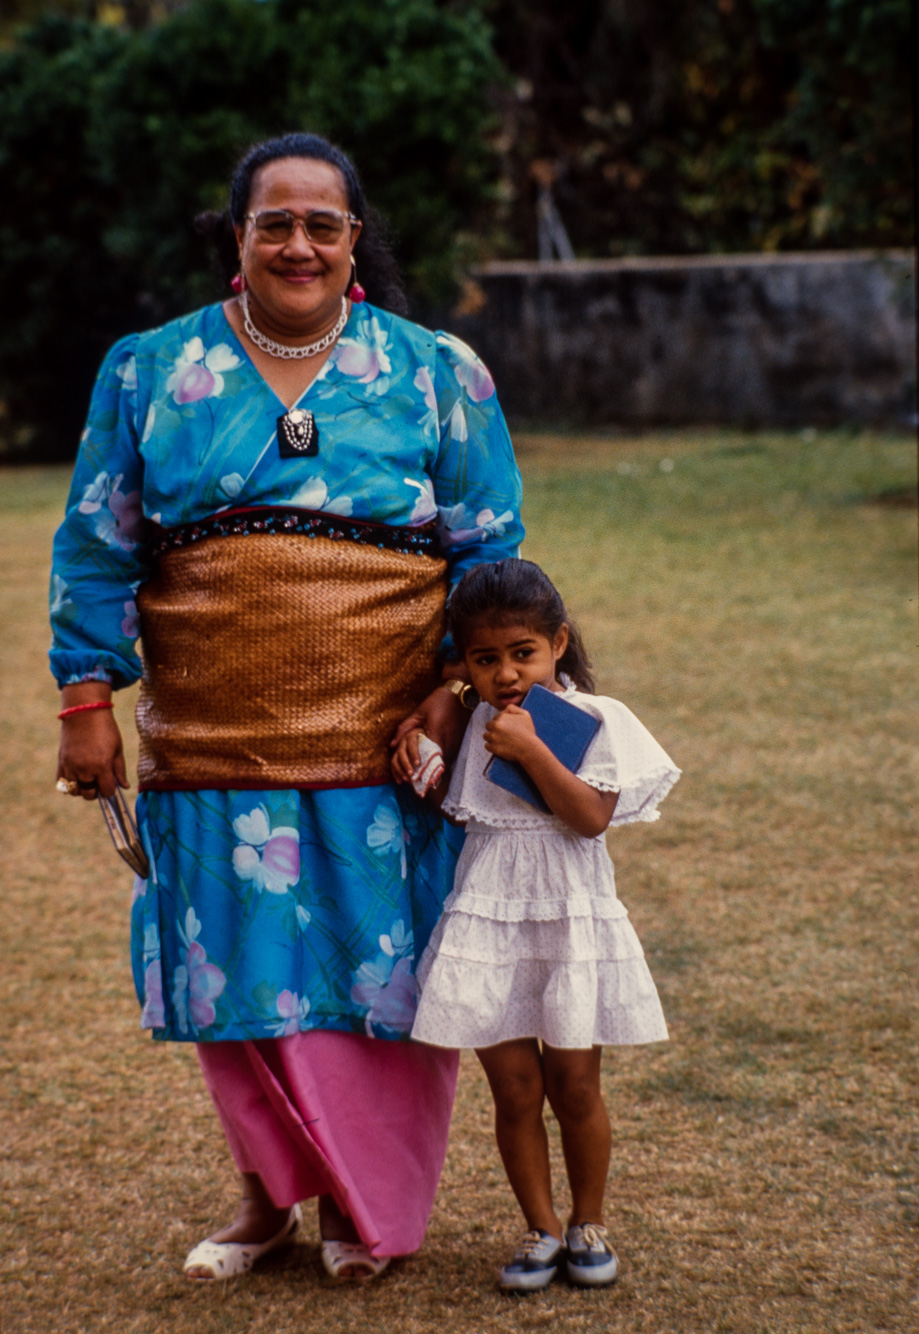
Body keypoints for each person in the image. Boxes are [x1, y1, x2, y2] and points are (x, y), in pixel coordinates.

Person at [49, 131, 523, 1282]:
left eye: (323, 222)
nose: (299, 243)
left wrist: (455, 699)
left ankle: (367, 1208)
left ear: (356, 238)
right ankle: (265, 1202)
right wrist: (86, 697)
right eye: (276, 222)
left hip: (386, 743)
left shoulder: (436, 371)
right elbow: (97, 542)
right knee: (236, 979)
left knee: (379, 976)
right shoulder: (148, 369)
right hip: (212, 744)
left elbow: (491, 554)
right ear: (238, 236)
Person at [393, 559, 680, 1292]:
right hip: (489, 922)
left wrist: (530, 749)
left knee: (574, 1085)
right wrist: (427, 729)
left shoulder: (593, 720)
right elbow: (440, 796)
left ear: (556, 642)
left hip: (568, 921)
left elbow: (587, 820)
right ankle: (540, 1229)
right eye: (485, 659)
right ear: (464, 661)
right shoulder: (469, 719)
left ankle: (588, 1223)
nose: (507, 674)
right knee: (514, 1090)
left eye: (523, 653)